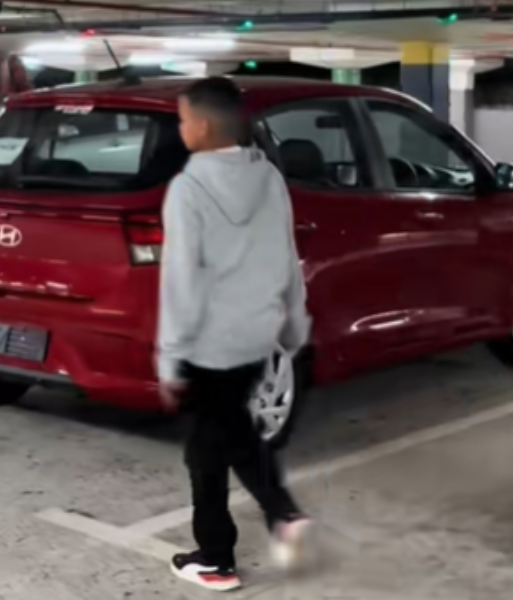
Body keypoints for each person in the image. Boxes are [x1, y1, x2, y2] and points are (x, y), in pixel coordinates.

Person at [156, 76, 313, 592]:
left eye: (181, 120)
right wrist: (294, 321)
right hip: (256, 335)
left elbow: (181, 279)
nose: (181, 129)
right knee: (235, 433)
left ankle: (216, 560)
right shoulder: (267, 175)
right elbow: (287, 254)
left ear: (200, 126)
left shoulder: (188, 188)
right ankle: (284, 516)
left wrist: (170, 358)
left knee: (205, 451)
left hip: (207, 343)